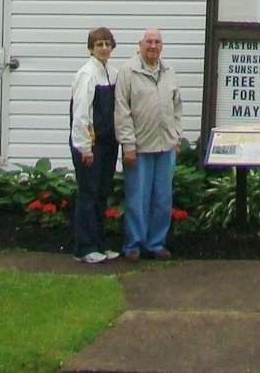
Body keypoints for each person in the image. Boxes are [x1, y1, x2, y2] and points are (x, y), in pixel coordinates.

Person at [114, 27, 183, 260]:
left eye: (157, 42)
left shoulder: (169, 70)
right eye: (149, 41)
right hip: (140, 148)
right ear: (140, 44)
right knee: (137, 198)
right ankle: (133, 245)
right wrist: (128, 146)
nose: (153, 46)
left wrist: (176, 138)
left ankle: (156, 243)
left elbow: (177, 107)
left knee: (163, 198)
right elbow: (122, 111)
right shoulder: (128, 72)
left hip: (166, 146)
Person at [69, 27, 121, 263]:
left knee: (101, 194)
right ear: (91, 48)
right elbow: (80, 114)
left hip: (109, 144)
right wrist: (85, 147)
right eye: (99, 44)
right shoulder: (86, 75)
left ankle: (100, 243)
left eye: (107, 44)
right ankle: (85, 247)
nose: (103, 48)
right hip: (91, 146)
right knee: (88, 195)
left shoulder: (112, 73)